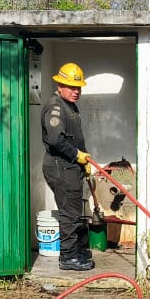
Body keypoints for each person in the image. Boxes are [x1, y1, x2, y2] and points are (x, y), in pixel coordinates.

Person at [41, 62, 95, 271]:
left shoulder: (69, 106)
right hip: (60, 166)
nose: (76, 91)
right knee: (69, 213)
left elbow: (73, 138)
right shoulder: (55, 107)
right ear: (60, 85)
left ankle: (75, 250)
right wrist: (76, 155)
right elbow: (56, 140)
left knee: (73, 210)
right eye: (71, 87)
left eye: (78, 87)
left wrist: (82, 163)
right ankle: (68, 257)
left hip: (70, 166)